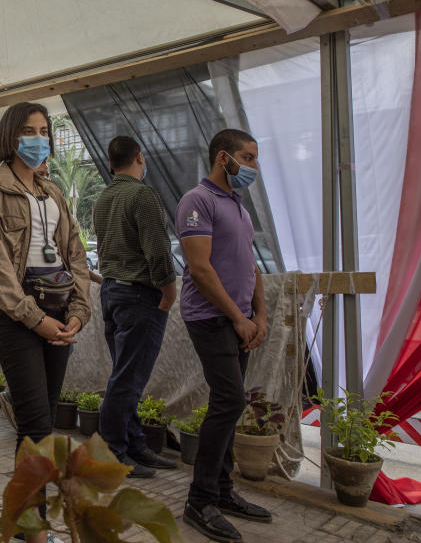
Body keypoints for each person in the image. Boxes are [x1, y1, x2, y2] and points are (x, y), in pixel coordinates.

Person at [0, 102, 90, 543]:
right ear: (10, 137)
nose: (40, 138)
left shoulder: (53, 192)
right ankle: (34, 530)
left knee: (41, 424)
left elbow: (74, 254)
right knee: (37, 425)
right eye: (30, 130)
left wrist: (78, 311)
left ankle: (24, 520)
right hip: (18, 317)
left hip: (59, 314)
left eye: (44, 130)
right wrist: (33, 318)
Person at [176, 129, 271, 542]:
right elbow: (200, 268)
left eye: (255, 159)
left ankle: (223, 491)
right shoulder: (196, 201)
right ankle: (200, 501)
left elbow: (251, 267)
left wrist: (259, 314)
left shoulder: (239, 207)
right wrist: (237, 317)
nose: (253, 166)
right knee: (230, 400)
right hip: (210, 318)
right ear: (223, 158)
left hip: (239, 320)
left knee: (229, 404)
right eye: (247, 158)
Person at [92, 136, 177, 477]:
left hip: (112, 292)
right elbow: (157, 250)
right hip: (140, 296)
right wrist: (169, 292)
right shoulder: (142, 194)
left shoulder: (103, 198)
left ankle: (134, 443)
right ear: (140, 157)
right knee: (128, 379)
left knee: (124, 375)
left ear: (111, 163)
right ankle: (112, 452)